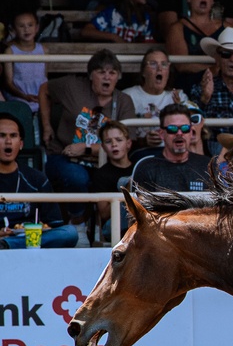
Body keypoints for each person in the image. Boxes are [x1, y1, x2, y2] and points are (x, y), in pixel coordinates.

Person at [38, 49, 136, 239]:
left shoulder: (123, 101)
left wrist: (86, 147)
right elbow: (44, 89)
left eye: (112, 73)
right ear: (91, 75)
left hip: (104, 161)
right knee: (77, 177)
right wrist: (47, 125)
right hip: (64, 155)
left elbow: (125, 140)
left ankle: (105, 229)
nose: (106, 77)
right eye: (101, 72)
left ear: (118, 77)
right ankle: (78, 224)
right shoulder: (72, 86)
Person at [0, 113, 76, 250]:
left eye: (13, 136)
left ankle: (8, 245)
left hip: (30, 240)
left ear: (21, 143)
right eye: (2, 136)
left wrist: (39, 227)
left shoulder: (36, 179)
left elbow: (55, 224)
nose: (8, 141)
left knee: (69, 233)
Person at [165, 0, 227, 96]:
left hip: (223, 88)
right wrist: (213, 70)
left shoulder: (228, 27)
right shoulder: (177, 28)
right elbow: (181, 65)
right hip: (189, 87)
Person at [131, 105, 214, 192]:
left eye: (185, 128)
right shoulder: (147, 167)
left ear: (190, 132)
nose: (179, 133)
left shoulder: (207, 165)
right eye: (172, 129)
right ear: (162, 134)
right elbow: (138, 204)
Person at [123, 48, 193, 151]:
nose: (159, 69)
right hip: (140, 153)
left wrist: (180, 108)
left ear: (168, 72)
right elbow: (120, 136)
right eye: (153, 64)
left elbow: (191, 132)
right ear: (143, 72)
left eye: (164, 64)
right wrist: (143, 141)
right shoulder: (128, 96)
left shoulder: (179, 96)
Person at [90, 120, 134, 242]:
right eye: (108, 141)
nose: (114, 144)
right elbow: (103, 214)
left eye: (119, 140)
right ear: (103, 147)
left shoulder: (139, 167)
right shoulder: (101, 174)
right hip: (115, 227)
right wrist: (127, 192)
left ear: (128, 143)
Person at [3, 9, 47, 115]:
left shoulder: (44, 50)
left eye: (30, 25)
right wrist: (24, 96)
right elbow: (8, 82)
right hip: (18, 99)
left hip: (40, 99)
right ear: (14, 30)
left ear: (37, 28)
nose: (26, 29)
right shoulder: (10, 51)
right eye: (21, 26)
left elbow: (45, 77)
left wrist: (41, 97)